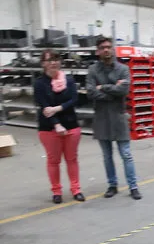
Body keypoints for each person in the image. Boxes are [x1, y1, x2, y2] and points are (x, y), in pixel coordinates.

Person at [87, 35, 142, 200]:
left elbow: (124, 90)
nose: (106, 50)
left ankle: (133, 186)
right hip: (101, 117)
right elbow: (91, 92)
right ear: (98, 51)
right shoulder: (92, 70)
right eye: (102, 47)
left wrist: (103, 87)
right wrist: (112, 91)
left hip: (118, 116)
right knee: (107, 155)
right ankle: (112, 185)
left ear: (113, 49)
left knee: (126, 154)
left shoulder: (123, 69)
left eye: (108, 47)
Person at [34, 49, 85, 204]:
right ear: (43, 64)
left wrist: (57, 109)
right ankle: (56, 191)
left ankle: (76, 189)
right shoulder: (39, 84)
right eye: (49, 60)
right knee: (53, 161)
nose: (53, 63)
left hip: (71, 125)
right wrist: (56, 124)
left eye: (56, 59)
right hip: (48, 128)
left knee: (72, 159)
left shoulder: (68, 80)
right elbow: (44, 106)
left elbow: (74, 99)